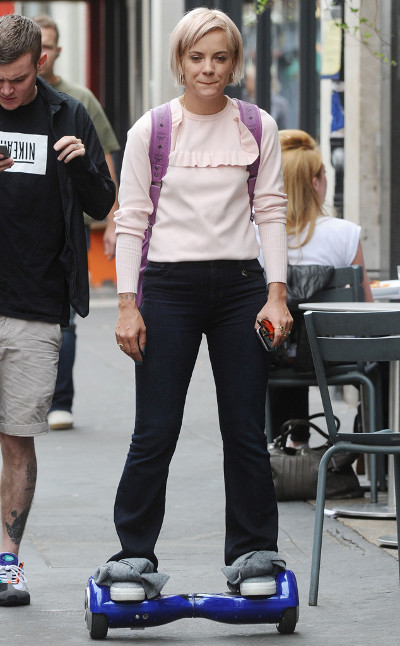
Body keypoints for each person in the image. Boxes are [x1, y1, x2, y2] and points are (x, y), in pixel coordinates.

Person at [93, 8, 292, 602]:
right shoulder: (152, 129)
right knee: (155, 430)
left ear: (235, 63)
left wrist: (276, 295)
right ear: (179, 62)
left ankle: (253, 553)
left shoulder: (257, 125)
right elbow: (132, 219)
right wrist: (127, 305)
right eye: (197, 57)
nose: (208, 68)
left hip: (241, 288)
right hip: (168, 288)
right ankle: (133, 555)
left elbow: (271, 210)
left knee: (245, 430)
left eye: (220, 57)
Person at [0, 14, 115, 606]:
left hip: (36, 303)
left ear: (40, 63)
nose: (6, 90)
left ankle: (7, 561)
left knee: (18, 438)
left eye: (17, 79)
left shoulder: (68, 114)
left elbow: (102, 202)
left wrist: (81, 165)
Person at [33, 14, 120, 431]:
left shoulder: (78, 102)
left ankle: (60, 401)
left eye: (48, 47)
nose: (42, 55)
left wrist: (114, 220)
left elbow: (104, 163)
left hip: (70, 225)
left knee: (63, 315)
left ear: (56, 52)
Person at [268, 129, 373, 447]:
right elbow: (366, 310)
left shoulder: (259, 237)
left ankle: (289, 446)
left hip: (276, 356)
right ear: (315, 182)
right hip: (336, 356)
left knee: (291, 343)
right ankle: (367, 446)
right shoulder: (345, 234)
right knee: (378, 365)